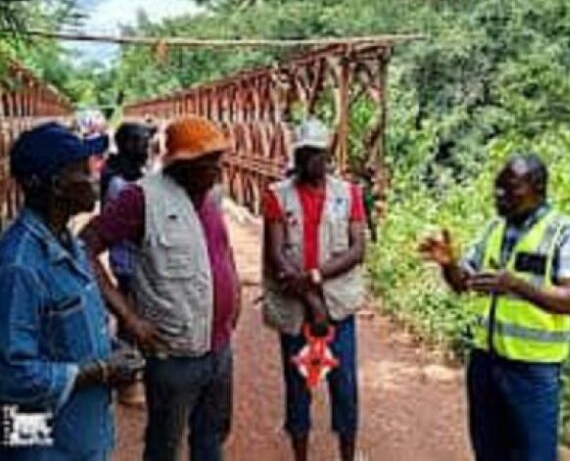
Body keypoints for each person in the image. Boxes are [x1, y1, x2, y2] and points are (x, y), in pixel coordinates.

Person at [80, 116, 241, 461]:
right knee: (165, 445)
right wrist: (129, 318)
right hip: (173, 354)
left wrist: (235, 294)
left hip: (220, 347)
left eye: (218, 160)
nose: (217, 170)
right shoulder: (141, 199)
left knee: (212, 437)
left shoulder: (210, 196)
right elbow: (85, 247)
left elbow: (223, 252)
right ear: (180, 163)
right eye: (207, 163)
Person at [419, 154, 570, 461]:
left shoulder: (566, 232)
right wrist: (449, 265)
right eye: (497, 188)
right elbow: (464, 284)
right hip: (485, 362)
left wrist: (515, 285)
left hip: (533, 369)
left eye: (509, 188)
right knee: (488, 452)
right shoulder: (493, 230)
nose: (499, 196)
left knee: (533, 455)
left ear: (537, 187)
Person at [0, 122, 142, 461]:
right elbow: (11, 376)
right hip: (44, 443)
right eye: (82, 170)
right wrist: (101, 371)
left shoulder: (70, 244)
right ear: (53, 185)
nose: (96, 176)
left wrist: (109, 350)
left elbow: (64, 332)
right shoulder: (19, 267)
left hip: (82, 432)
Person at [262, 118, 367, 461]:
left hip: (337, 306)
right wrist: (310, 301)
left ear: (328, 154)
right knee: (297, 389)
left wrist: (315, 280)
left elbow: (356, 249)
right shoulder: (277, 196)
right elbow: (276, 254)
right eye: (303, 154)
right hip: (296, 311)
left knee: (345, 388)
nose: (309, 162)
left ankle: (347, 455)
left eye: (316, 154)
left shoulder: (349, 194)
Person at [100, 122, 155, 408]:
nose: (146, 148)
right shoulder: (119, 182)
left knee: (134, 314)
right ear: (125, 144)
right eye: (141, 142)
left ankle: (135, 375)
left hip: (138, 260)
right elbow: (133, 226)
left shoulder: (131, 173)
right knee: (129, 317)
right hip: (130, 261)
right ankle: (127, 384)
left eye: (147, 141)